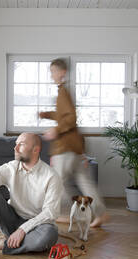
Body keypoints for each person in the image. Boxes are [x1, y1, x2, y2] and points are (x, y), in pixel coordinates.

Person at [0, 132, 63, 259]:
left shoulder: (51, 176)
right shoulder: (11, 167)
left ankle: (2, 244)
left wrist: (23, 230)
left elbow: (51, 212)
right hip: (11, 220)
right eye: (15, 144)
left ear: (36, 150)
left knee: (50, 235)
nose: (15, 148)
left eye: (21, 145)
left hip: (36, 226)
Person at [39, 58, 109, 228]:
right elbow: (64, 115)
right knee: (85, 182)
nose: (51, 74)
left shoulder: (63, 92)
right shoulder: (63, 92)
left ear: (62, 72)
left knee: (57, 182)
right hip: (74, 148)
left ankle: (76, 214)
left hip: (65, 148)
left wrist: (56, 130)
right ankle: (101, 213)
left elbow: (70, 118)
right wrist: (46, 114)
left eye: (53, 71)